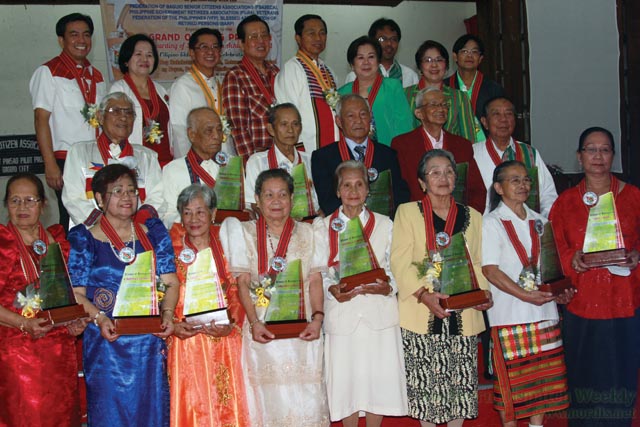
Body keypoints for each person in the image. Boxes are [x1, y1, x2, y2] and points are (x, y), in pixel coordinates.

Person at [67, 164, 179, 427]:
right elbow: (76, 294)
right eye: (117, 191)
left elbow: (171, 282)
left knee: (150, 411)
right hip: (106, 342)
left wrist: (167, 315)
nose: (127, 197)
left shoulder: (154, 235)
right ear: (99, 198)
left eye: (131, 191)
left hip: (148, 342)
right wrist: (100, 318)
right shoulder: (85, 239)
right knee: (109, 412)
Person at [391, 149, 491, 427]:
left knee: (460, 387)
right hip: (420, 310)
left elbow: (478, 261)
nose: (443, 177)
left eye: (448, 171)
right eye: (434, 172)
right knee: (426, 390)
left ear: (456, 178)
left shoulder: (473, 216)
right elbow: (399, 261)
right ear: (422, 182)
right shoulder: (407, 212)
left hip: (464, 311)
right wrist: (424, 295)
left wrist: (482, 294)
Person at [221, 168, 330, 426]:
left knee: (306, 400)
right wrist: (254, 323)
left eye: (282, 194)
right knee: (268, 403)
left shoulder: (310, 231)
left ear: (292, 198)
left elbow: (315, 280)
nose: (276, 201)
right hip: (262, 329)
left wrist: (317, 320)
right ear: (257, 200)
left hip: (303, 329)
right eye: (268, 195)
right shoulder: (243, 232)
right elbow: (242, 282)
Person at [549, 127, 640, 427]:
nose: (598, 156)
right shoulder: (565, 202)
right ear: (579, 156)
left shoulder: (633, 196)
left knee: (621, 374)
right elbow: (553, 247)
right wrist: (571, 259)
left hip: (625, 301)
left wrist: (637, 254)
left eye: (605, 149)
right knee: (583, 374)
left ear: (613, 155)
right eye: (591, 149)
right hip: (581, 302)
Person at [482, 160, 571, 426]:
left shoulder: (541, 221)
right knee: (511, 384)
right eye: (515, 180)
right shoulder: (491, 223)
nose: (522, 185)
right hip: (509, 314)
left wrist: (560, 291)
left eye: (526, 180)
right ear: (499, 188)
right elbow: (490, 271)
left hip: (544, 311)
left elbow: (551, 267)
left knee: (542, 380)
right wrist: (524, 295)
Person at [323, 160, 407, 426]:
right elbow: (319, 272)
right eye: (346, 185)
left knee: (377, 385)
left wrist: (389, 286)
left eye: (359, 184)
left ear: (368, 189)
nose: (353, 191)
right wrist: (331, 289)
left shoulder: (385, 224)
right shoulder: (322, 226)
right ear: (337, 191)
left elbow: (396, 267)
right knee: (345, 385)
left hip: (378, 314)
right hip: (342, 315)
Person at [0, 173, 87, 427]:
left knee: (62, 417)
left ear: (43, 204)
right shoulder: (2, 243)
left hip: (60, 353)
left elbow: (70, 294)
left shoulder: (57, 239)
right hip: (18, 351)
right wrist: (23, 323)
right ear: (6, 205)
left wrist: (74, 322)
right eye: (15, 200)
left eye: (30, 200)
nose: (22, 207)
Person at [168, 184, 250, 427]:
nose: (193, 219)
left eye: (200, 212)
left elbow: (237, 288)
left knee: (227, 403)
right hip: (187, 341)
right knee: (194, 404)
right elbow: (163, 291)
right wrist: (174, 324)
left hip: (224, 338)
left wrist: (231, 323)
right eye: (187, 212)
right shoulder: (171, 247)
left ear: (213, 213)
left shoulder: (226, 245)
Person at [30, 12, 107, 229]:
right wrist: (50, 164)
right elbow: (41, 119)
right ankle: (69, 251)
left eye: (86, 35)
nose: (81, 40)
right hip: (65, 158)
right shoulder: (48, 72)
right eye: (74, 34)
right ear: (61, 40)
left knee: (98, 212)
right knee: (71, 216)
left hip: (96, 158)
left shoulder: (97, 75)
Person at [62, 92, 166, 226]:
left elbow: (157, 198)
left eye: (129, 112)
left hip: (138, 231)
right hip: (92, 232)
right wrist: (106, 225)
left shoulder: (147, 157)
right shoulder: (79, 152)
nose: (123, 117)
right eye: (115, 111)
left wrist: (134, 226)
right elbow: (73, 197)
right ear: (100, 117)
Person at [311, 94, 409, 217]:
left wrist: (382, 222)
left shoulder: (388, 154)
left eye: (363, 114)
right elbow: (327, 200)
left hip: (382, 222)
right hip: (345, 224)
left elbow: (399, 194)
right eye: (351, 116)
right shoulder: (323, 157)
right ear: (339, 121)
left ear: (370, 117)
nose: (358, 120)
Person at [392, 87, 486, 212]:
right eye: (433, 104)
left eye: (444, 105)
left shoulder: (462, 145)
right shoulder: (403, 144)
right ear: (419, 113)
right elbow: (400, 190)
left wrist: (466, 216)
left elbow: (477, 190)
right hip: (418, 216)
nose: (441, 109)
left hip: (457, 215)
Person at [474, 96, 557, 216]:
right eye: (496, 114)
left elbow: (548, 195)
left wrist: (540, 222)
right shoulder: (473, 154)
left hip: (527, 223)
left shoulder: (529, 153)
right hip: (486, 224)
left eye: (508, 114)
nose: (503, 119)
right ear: (485, 122)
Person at [162, 107, 245, 226]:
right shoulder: (173, 170)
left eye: (219, 130)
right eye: (209, 131)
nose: (217, 136)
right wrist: (196, 219)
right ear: (192, 135)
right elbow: (167, 215)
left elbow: (245, 206)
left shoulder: (231, 164)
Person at [274, 14, 339, 152]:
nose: (318, 38)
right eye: (311, 33)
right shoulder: (292, 68)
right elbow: (287, 114)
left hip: (332, 146)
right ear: (298, 38)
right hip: (306, 150)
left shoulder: (329, 71)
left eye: (322, 33)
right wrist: (297, 151)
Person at [245, 103, 320, 218]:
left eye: (295, 124)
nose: (290, 130)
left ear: (300, 128)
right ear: (271, 129)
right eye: (284, 124)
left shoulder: (311, 160)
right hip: (273, 224)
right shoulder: (257, 162)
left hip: (310, 223)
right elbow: (254, 203)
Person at [170, 28, 234, 158]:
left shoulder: (222, 83)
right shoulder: (182, 86)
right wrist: (189, 165)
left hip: (226, 158)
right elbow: (179, 133)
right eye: (204, 47)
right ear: (192, 53)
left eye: (215, 47)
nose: (210, 51)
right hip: (199, 161)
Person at [222, 15, 279, 160]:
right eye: (253, 37)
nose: (261, 41)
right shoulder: (235, 76)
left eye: (264, 35)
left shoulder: (276, 72)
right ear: (241, 44)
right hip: (258, 157)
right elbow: (238, 129)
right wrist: (251, 165)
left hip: (281, 154)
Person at [110, 34, 172, 167]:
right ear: (126, 60)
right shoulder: (119, 90)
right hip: (134, 161)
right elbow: (112, 130)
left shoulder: (160, 90)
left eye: (149, 55)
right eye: (138, 54)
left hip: (165, 160)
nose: (144, 59)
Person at [338, 36, 413, 146]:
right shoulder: (342, 93)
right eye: (360, 58)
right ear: (352, 65)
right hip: (352, 152)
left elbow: (404, 125)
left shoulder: (393, 87)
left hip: (388, 150)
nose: (366, 62)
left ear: (378, 62)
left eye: (371, 57)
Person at [405, 40, 476, 143]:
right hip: (413, 150)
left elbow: (469, 139)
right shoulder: (405, 95)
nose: (434, 65)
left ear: (446, 66)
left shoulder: (459, 97)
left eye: (439, 60)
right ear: (419, 67)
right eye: (428, 60)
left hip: (450, 152)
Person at [445, 34, 505, 143]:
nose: (469, 56)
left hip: (486, 145)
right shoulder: (445, 87)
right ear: (455, 56)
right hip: (453, 145)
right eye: (464, 51)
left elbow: (501, 120)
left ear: (480, 58)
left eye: (474, 52)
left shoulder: (493, 88)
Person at [345, 18, 419, 89]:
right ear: (372, 42)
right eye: (382, 39)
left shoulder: (410, 75)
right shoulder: (354, 75)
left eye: (394, 39)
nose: (389, 43)